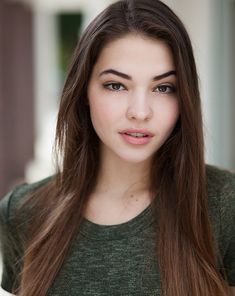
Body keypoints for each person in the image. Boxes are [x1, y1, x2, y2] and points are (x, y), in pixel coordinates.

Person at [0, 0, 234, 295]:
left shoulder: (224, 206)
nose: (140, 112)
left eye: (163, 88)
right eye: (116, 85)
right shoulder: (22, 212)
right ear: (84, 89)